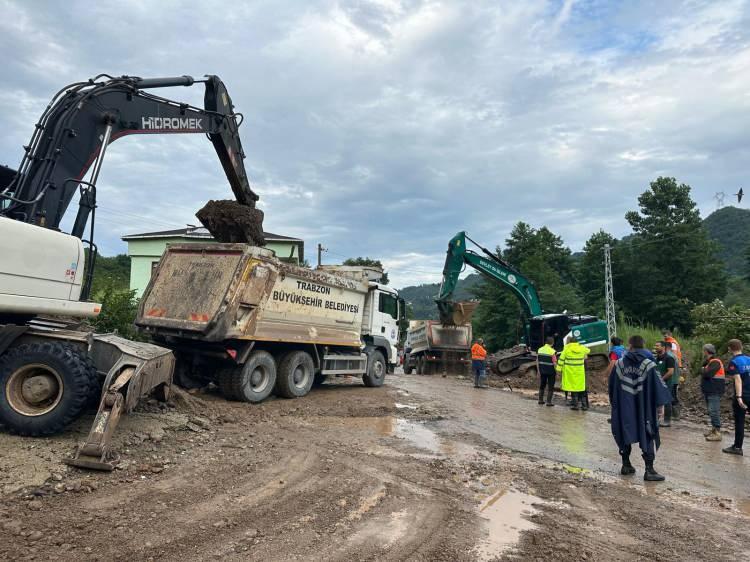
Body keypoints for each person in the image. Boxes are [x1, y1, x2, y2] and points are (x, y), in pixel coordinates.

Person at [609, 335, 672, 481]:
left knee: (623, 432)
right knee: (648, 433)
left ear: (629, 346)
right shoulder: (649, 365)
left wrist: (615, 405)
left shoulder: (618, 364)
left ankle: (626, 465)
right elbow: (658, 388)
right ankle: (649, 470)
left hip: (624, 406)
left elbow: (611, 387)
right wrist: (660, 407)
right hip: (645, 407)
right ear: (643, 346)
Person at [722, 339, 750, 455]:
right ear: (741, 347)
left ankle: (737, 447)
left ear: (729, 349)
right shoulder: (749, 359)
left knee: (740, 421)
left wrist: (739, 397)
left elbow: (738, 380)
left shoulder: (734, 362)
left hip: (743, 395)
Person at [557, 336, 590, 410]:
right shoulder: (582, 348)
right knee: (581, 388)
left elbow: (561, 359)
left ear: (570, 342)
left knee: (573, 388)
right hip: (580, 372)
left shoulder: (566, 349)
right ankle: (584, 406)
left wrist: (559, 369)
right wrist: (580, 346)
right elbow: (588, 350)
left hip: (570, 372)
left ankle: (576, 406)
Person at [701, 344, 726, 441]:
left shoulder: (715, 362)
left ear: (706, 351)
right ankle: (714, 429)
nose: (703, 352)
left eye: (704, 351)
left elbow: (707, 374)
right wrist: (704, 368)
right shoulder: (709, 362)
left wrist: (703, 370)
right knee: (711, 411)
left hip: (714, 390)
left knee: (713, 411)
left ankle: (717, 433)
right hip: (710, 390)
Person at [654, 341, 678, 427]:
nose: (656, 347)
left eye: (658, 346)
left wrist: (661, 379)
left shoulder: (669, 358)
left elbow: (670, 372)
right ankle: (656, 419)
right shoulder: (657, 358)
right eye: (655, 346)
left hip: (666, 383)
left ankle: (667, 420)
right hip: (657, 383)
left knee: (667, 401)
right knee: (656, 400)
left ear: (663, 347)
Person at [536, 336, 557, 406]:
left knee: (542, 385)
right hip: (551, 372)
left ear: (545, 342)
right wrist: (557, 370)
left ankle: (540, 400)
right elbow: (554, 363)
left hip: (542, 371)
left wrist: (538, 371)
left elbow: (537, 361)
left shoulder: (540, 350)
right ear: (552, 343)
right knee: (551, 386)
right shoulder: (552, 351)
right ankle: (548, 402)